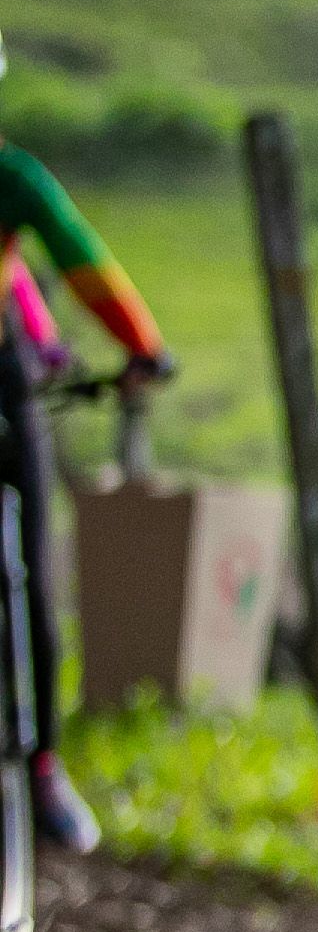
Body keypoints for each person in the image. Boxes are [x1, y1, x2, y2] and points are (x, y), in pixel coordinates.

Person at [0, 46, 178, 851]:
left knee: (28, 575)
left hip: (9, 372)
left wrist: (64, 344)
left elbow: (47, 269)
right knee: (31, 573)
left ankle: (42, 764)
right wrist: (144, 350)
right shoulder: (14, 174)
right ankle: (45, 768)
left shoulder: (12, 182)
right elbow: (80, 258)